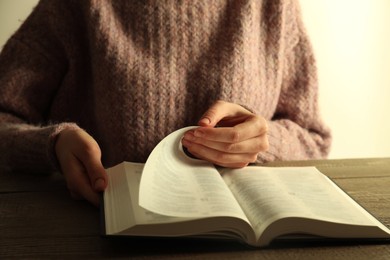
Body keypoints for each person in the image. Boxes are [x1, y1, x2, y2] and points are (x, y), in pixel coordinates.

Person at [0, 0, 331, 207]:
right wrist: (52, 143)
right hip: (97, 235)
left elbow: (312, 137)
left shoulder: (272, 6)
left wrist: (263, 142)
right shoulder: (75, 7)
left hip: (244, 238)